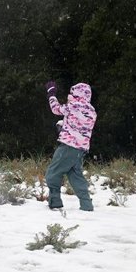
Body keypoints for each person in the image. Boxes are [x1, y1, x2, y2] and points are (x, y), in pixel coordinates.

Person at [43, 81, 97, 211]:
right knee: (75, 176)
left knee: (53, 172)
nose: (70, 95)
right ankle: (86, 205)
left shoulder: (74, 105)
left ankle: (54, 202)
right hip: (80, 149)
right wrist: (64, 127)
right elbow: (79, 128)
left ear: (77, 93)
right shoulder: (91, 111)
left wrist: (51, 93)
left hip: (67, 146)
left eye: (72, 92)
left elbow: (56, 109)